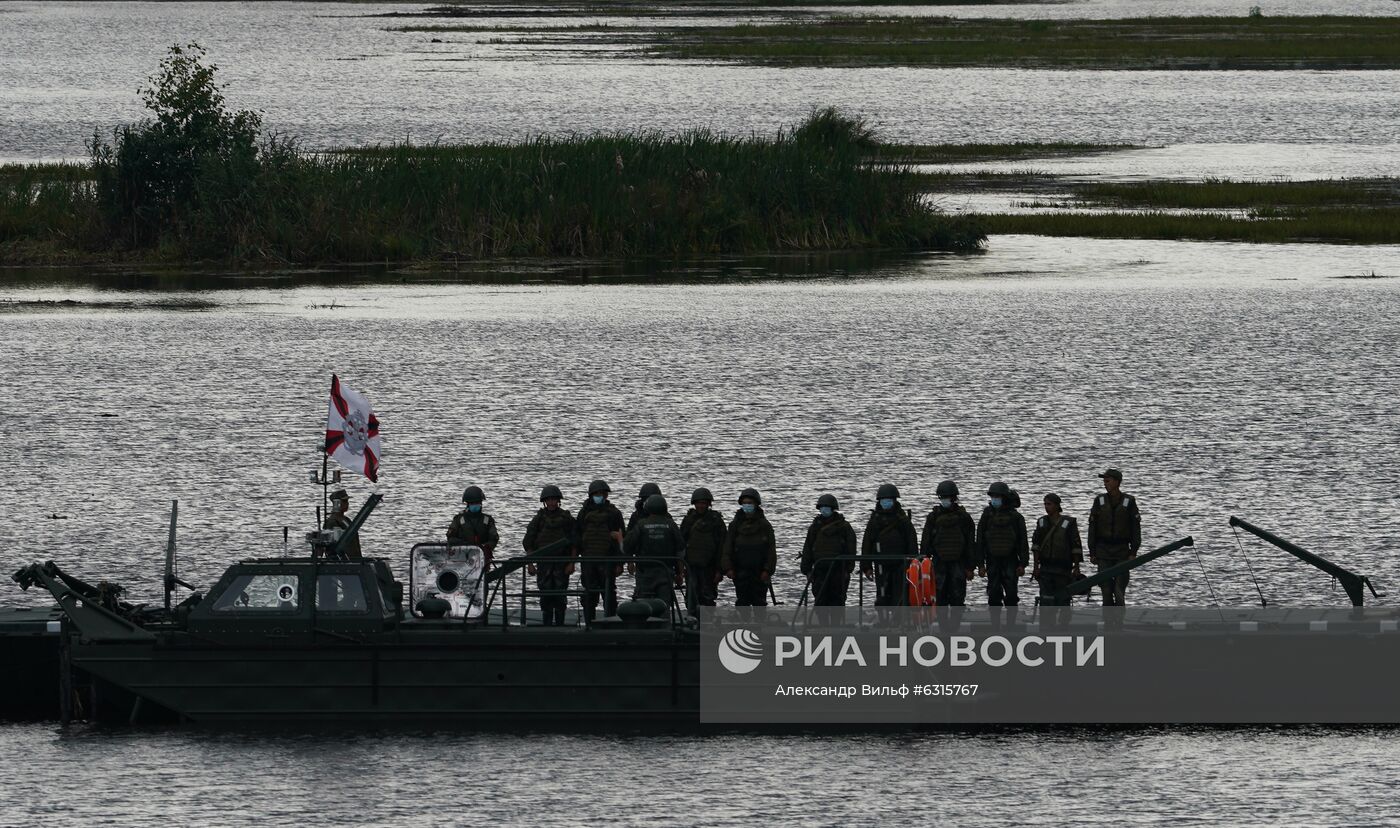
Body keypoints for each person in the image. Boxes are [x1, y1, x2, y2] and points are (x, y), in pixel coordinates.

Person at [976, 481, 1029, 626]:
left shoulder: (1015, 517)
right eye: (993, 496)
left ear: (1004, 497)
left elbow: (1022, 541)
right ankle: (995, 626)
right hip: (992, 560)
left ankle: (1010, 625)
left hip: (1011, 560)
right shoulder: (987, 515)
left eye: (997, 496)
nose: (995, 498)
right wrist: (980, 564)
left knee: (1011, 595)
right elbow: (980, 540)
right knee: (993, 595)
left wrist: (1023, 563)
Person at [523, 484, 576, 626]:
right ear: (544, 501)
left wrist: (572, 563)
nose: (551, 503)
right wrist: (530, 564)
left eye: (554, 500)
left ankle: (560, 624)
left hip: (562, 563)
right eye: (549, 500)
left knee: (560, 596)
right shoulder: (538, 519)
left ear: (558, 501)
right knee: (545, 596)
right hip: (544, 564)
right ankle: (546, 624)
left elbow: (575, 542)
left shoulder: (567, 519)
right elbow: (529, 542)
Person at [1087, 468, 1141, 607]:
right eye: (1104, 481)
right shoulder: (1099, 501)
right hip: (1103, 551)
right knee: (1106, 590)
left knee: (1119, 590)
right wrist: (1092, 552)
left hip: (1122, 551)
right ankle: (1108, 624)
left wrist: (1134, 551)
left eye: (1108, 481)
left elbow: (1136, 528)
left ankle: (1119, 623)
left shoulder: (1129, 501)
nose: (1105, 484)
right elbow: (1092, 527)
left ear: (1117, 482)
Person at [574, 479, 625, 622]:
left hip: (607, 560)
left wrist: (620, 563)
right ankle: (589, 623)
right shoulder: (584, 513)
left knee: (609, 594)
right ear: (591, 495)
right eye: (596, 493)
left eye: (602, 493)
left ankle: (610, 622)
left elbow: (621, 539)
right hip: (588, 560)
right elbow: (577, 536)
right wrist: (574, 558)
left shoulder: (614, 513)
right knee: (589, 594)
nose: (599, 496)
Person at [801, 494, 857, 621]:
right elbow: (808, 547)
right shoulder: (815, 527)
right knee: (820, 600)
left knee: (837, 599)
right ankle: (823, 625)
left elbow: (851, 547)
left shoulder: (844, 527)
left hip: (838, 571)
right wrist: (807, 569)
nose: (824, 510)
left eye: (827, 507)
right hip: (819, 571)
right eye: (822, 507)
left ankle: (836, 625)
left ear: (833, 509)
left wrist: (848, 568)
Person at [921, 480, 976, 609]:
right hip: (939, 562)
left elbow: (970, 544)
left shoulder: (964, 518)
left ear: (954, 498)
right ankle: (943, 627)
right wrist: (924, 564)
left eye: (947, 497)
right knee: (940, 597)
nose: (944, 500)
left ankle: (954, 628)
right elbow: (926, 542)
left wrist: (970, 567)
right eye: (942, 497)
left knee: (958, 597)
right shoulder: (933, 517)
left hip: (959, 563)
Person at [721, 488, 777, 615]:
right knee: (742, 602)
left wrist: (768, 570)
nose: (747, 506)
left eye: (750, 503)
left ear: (756, 504)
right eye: (745, 503)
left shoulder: (765, 525)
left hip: (759, 571)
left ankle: (760, 628)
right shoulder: (735, 525)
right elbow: (727, 548)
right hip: (740, 571)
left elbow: (771, 551)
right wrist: (728, 568)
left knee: (760, 603)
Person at [624, 494, 685, 607]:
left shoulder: (641, 524)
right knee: (664, 605)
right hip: (665, 572)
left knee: (643, 606)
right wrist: (679, 573)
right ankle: (665, 624)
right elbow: (680, 548)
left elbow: (627, 545)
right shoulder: (671, 524)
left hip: (645, 573)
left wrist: (630, 560)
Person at [860, 484, 916, 608]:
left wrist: (913, 564)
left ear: (894, 501)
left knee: (899, 594)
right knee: (882, 593)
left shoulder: (902, 520)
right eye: (883, 500)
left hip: (900, 564)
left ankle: (898, 621)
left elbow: (911, 542)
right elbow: (867, 543)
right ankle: (883, 620)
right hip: (881, 564)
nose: (886, 503)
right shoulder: (875, 521)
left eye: (889, 500)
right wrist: (866, 566)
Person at [1032, 493, 1083, 625]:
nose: (1046, 507)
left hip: (1063, 569)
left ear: (1057, 505)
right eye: (1045, 504)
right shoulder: (1042, 522)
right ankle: (1047, 627)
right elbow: (1036, 546)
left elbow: (1076, 546)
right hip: (1046, 569)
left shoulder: (1069, 523)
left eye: (1049, 504)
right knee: (1046, 600)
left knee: (1064, 601)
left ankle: (1063, 627)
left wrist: (1076, 567)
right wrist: (1035, 567)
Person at [679, 487, 727, 616]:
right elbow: (681, 543)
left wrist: (719, 570)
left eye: (704, 503)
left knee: (708, 597)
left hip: (709, 567)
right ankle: (692, 621)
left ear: (708, 504)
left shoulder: (716, 521)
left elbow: (722, 546)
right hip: (691, 566)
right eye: (698, 503)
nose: (701, 506)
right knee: (691, 597)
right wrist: (680, 567)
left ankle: (708, 624)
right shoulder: (688, 520)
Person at [448, 485, 499, 562]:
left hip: (482, 559)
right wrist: (464, 544)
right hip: (461, 558)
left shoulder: (488, 520)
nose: (475, 505)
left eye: (477, 502)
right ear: (468, 504)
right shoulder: (459, 519)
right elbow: (450, 538)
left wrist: (485, 548)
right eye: (472, 503)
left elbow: (494, 538)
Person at [323, 488, 362, 560]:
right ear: (336, 503)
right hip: (345, 562)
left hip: (355, 560)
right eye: (344, 501)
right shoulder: (332, 521)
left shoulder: (346, 520)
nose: (347, 504)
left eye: (347, 501)